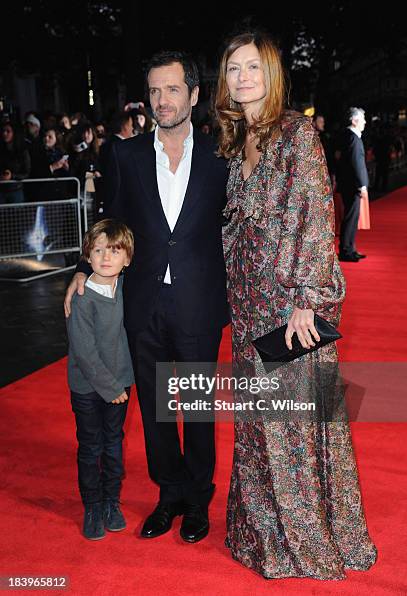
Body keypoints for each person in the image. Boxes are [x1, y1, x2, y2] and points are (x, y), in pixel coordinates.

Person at [215, 31, 377, 580]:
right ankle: (263, 534)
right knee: (260, 423)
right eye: (233, 68)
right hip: (248, 302)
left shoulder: (296, 132)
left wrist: (309, 299)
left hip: (288, 305)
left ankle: (303, 540)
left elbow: (313, 211)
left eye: (252, 67)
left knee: (295, 423)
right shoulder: (239, 139)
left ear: (273, 74)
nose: (242, 77)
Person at [64, 51, 229, 543]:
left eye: (172, 89)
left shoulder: (222, 156)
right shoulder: (125, 154)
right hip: (143, 305)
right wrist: (80, 269)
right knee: (157, 407)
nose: (162, 100)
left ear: (194, 96)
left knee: (198, 408)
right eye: (154, 91)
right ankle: (169, 494)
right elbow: (108, 218)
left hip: (199, 301)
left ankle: (198, 499)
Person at [67, 219, 134, 540]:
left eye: (115, 251)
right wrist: (110, 389)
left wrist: (119, 385)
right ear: (87, 256)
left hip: (121, 383)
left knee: (114, 444)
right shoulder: (81, 296)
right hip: (89, 388)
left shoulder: (125, 288)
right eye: (98, 250)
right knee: (91, 447)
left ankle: (111, 501)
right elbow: (84, 351)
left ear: (127, 259)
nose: (106, 257)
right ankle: (92, 505)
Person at [336, 108, 369, 262]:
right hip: (352, 185)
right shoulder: (353, 138)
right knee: (351, 218)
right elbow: (357, 164)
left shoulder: (349, 136)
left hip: (348, 184)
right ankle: (346, 250)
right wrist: (362, 185)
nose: (365, 122)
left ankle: (350, 248)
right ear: (354, 120)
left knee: (352, 218)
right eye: (362, 119)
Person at [0, 120, 31, 203]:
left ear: (14, 133)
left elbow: (27, 172)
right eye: (3, 131)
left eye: (8, 131)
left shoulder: (22, 150)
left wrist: (12, 176)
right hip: (2, 190)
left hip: (16, 190)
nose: (5, 134)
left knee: (17, 214)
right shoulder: (2, 149)